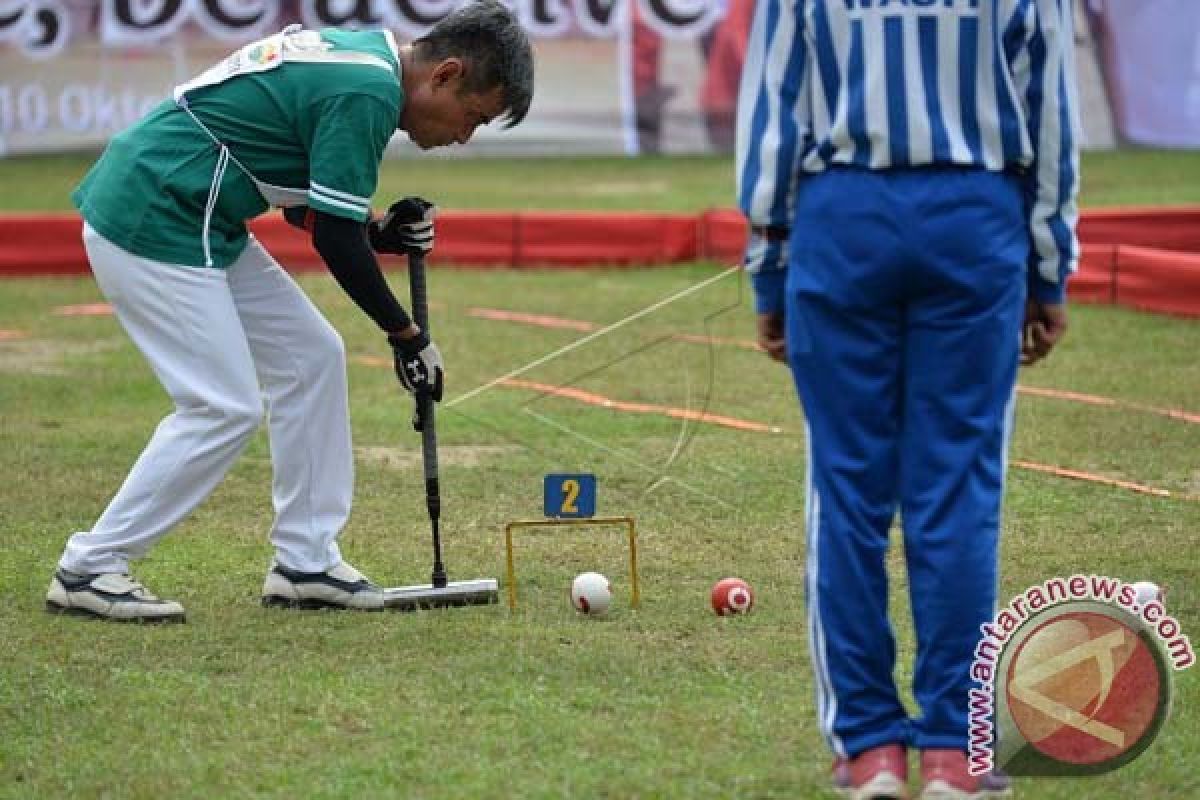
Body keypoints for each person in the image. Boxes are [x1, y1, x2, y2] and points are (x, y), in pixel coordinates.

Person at [46, 0, 534, 623]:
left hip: (201, 214)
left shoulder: (365, 62)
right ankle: (89, 567)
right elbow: (332, 237)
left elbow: (308, 204)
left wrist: (379, 230)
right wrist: (408, 337)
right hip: (157, 209)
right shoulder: (367, 91)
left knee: (313, 357)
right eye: (472, 118)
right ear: (446, 74)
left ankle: (306, 562)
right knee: (222, 407)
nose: (462, 137)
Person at [737, 1, 1077, 798]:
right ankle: (956, 752)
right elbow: (1050, 106)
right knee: (957, 488)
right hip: (974, 218)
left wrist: (768, 263)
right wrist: (1051, 263)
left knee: (847, 489)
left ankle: (870, 749)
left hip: (844, 216)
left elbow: (774, 109)